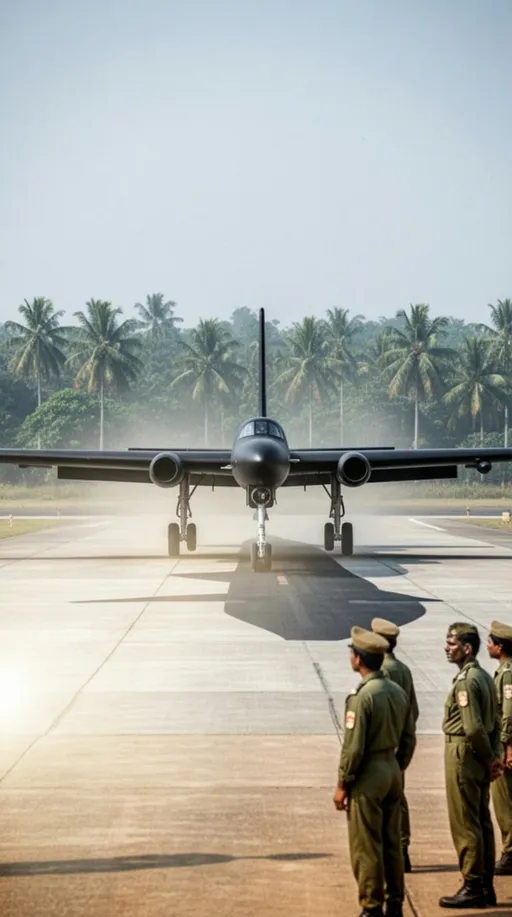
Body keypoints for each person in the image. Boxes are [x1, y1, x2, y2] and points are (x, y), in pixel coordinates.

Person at [333, 626, 416, 917]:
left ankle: (371, 906)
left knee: (366, 844)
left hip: (369, 775)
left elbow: (354, 749)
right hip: (392, 770)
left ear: (359, 659)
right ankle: (395, 902)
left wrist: (343, 783)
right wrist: (398, 765)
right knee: (392, 842)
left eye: (352, 653)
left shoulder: (362, 697)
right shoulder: (396, 691)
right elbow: (409, 736)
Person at [440, 622, 502, 909]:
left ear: (467, 648)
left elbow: (474, 728)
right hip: (479, 755)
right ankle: (486, 885)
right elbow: (496, 722)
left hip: (464, 753)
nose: (447, 649)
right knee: (481, 820)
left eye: (452, 645)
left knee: (465, 822)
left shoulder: (466, 681)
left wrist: (490, 758)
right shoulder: (485, 677)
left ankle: (472, 884)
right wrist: (494, 756)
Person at [371, 617, 419, 873]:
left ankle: (393, 850)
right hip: (400, 744)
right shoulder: (404, 670)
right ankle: (402, 848)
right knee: (398, 798)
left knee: (383, 802)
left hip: (385, 747)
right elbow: (413, 711)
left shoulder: (384, 673)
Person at [488, 619, 512, 876]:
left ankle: (510, 852)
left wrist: (506, 748)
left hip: (506, 746)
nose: (488, 646)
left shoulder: (507, 673)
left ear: (500, 647)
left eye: (491, 642)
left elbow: (508, 714)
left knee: (504, 800)